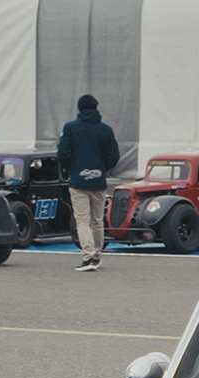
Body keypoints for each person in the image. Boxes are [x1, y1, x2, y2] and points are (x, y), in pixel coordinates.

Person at [58, 94, 119, 271]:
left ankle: (88, 256)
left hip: (78, 180)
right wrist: (103, 168)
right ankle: (97, 255)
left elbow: (63, 153)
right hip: (98, 180)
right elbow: (114, 156)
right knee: (97, 220)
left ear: (79, 108)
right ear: (96, 108)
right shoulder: (106, 130)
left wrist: (71, 168)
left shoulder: (71, 128)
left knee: (82, 220)